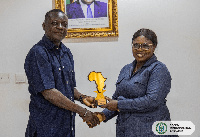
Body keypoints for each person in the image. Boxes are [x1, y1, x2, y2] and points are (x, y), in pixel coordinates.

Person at [24, 9, 99, 137]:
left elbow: (68, 87)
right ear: (44, 26)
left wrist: (82, 98)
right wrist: (82, 111)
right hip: (46, 127)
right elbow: (49, 93)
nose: (60, 28)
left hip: (66, 126)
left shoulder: (66, 52)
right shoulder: (38, 53)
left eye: (64, 24)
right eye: (55, 23)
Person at [93, 28, 178, 137]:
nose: (140, 49)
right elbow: (116, 98)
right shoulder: (126, 69)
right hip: (126, 130)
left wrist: (119, 105)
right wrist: (101, 116)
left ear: (154, 47)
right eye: (136, 45)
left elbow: (151, 101)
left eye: (145, 46)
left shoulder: (158, 69)